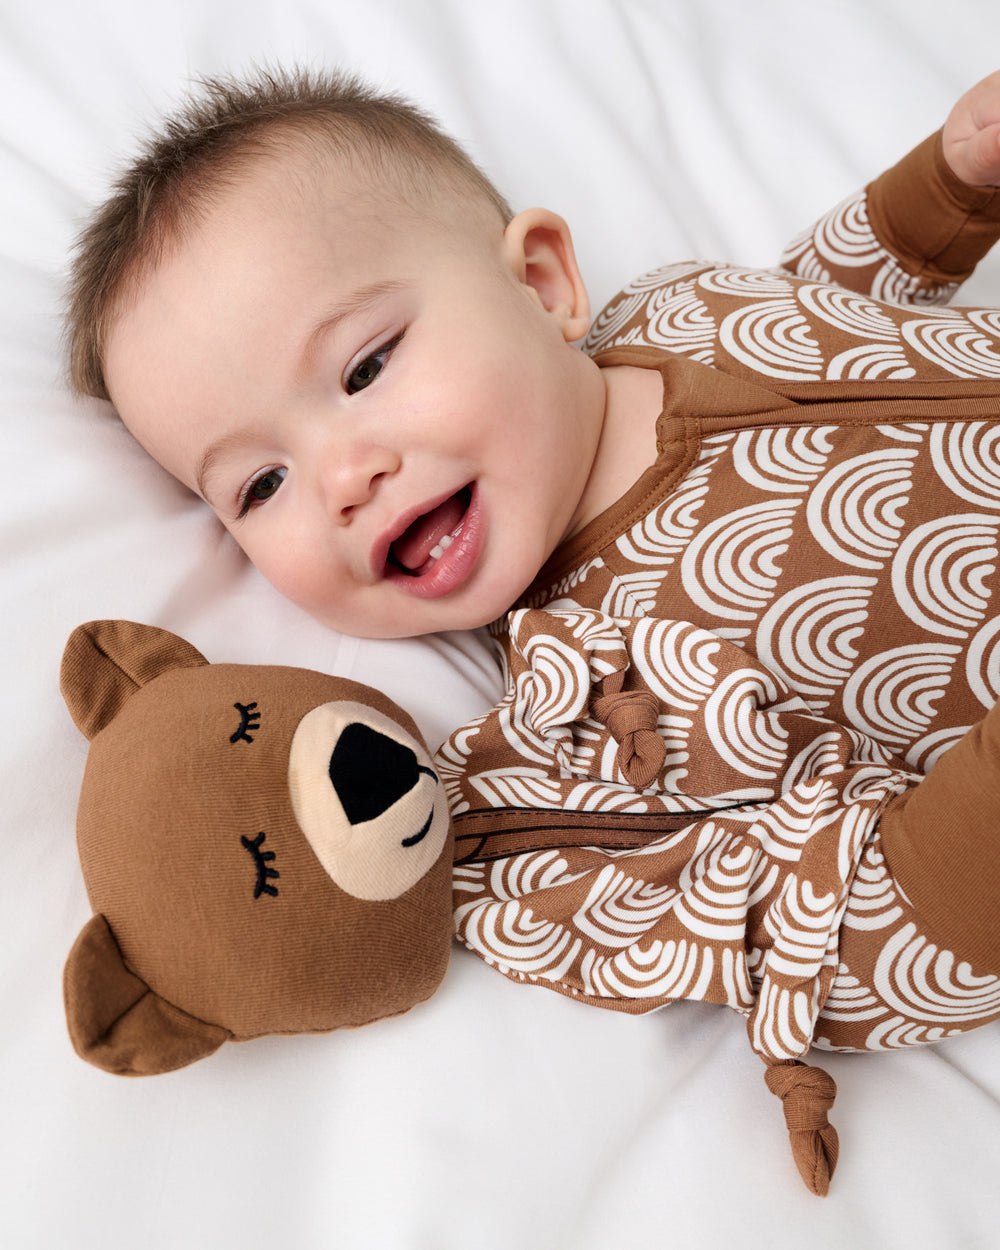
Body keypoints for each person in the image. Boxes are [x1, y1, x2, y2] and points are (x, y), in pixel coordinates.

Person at [67, 67, 1000, 1192]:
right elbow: (828, 931)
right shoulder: (612, 703)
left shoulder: (676, 308)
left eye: (365, 366)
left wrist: (941, 190)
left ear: (545, 283)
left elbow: (824, 299)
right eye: (261, 484)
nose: (342, 477)